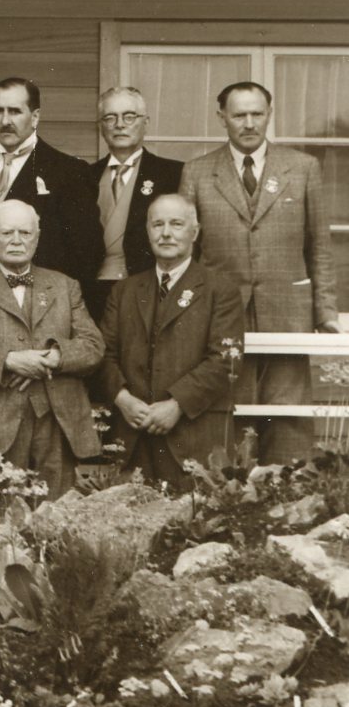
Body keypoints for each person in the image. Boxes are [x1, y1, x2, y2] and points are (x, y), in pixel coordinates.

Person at [181, 80, 342, 464]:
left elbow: (319, 246)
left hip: (288, 310)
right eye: (239, 115)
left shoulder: (303, 168)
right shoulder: (198, 172)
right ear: (222, 118)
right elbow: (190, 253)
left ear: (269, 114)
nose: (249, 123)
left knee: (287, 414)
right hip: (223, 312)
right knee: (229, 408)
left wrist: (327, 314)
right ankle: (230, 501)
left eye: (257, 113)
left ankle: (291, 498)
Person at [0, 199, 105, 501]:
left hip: (60, 422)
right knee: (0, 519)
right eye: (6, 233)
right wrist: (8, 360)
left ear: (37, 238)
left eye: (25, 233)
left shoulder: (64, 286)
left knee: (58, 516)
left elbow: (93, 346)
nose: (16, 240)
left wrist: (52, 358)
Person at [98, 194, 246, 489]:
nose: (166, 233)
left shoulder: (221, 290)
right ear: (148, 231)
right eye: (158, 224)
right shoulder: (124, 291)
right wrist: (123, 400)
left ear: (195, 231)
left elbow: (224, 359)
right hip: (132, 440)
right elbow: (102, 354)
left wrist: (176, 404)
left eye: (176, 224)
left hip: (193, 438)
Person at [0, 77, 99, 285]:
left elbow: (86, 252)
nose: (5, 121)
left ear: (35, 117)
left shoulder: (69, 171)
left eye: (15, 111)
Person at [85, 85, 185, 323]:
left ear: (145, 122)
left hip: (151, 289)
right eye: (110, 117)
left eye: (129, 116)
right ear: (101, 126)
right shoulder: (84, 176)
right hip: (91, 293)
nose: (119, 124)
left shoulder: (172, 174)